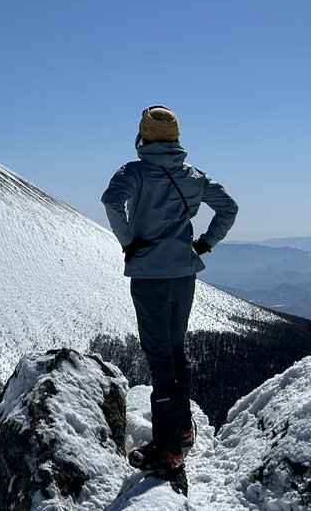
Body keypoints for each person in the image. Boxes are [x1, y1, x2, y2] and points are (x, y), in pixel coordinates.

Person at [101, 105, 239, 479]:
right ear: (176, 138)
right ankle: (184, 427)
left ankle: (169, 449)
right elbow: (229, 207)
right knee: (177, 350)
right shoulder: (193, 176)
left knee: (159, 357)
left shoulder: (135, 172)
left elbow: (111, 201)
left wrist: (128, 240)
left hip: (149, 275)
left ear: (142, 136)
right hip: (184, 273)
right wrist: (205, 243)